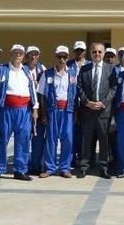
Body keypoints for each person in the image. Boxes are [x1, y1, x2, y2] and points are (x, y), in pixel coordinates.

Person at [0, 44, 38, 182]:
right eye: (15, 53)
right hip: (7, 109)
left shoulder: (27, 71)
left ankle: (20, 170)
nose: (18, 55)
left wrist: (35, 108)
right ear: (11, 54)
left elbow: (32, 90)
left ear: (24, 56)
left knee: (23, 140)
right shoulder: (3, 70)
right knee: (2, 139)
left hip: (24, 110)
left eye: (20, 53)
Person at [76, 43, 117, 178]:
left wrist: (103, 103)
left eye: (100, 52)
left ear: (103, 53)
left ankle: (104, 167)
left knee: (104, 140)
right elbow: (79, 87)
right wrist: (87, 102)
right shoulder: (84, 69)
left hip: (103, 112)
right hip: (88, 111)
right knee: (86, 140)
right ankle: (84, 166)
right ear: (90, 53)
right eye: (94, 52)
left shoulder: (111, 69)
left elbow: (113, 89)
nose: (97, 54)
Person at [37, 45, 77, 178]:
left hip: (67, 110)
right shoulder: (47, 74)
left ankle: (65, 167)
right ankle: (50, 168)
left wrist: (75, 112)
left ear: (68, 58)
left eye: (64, 57)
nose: (62, 59)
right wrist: (43, 113)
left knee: (68, 139)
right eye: (59, 57)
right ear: (56, 57)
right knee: (51, 139)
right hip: (52, 110)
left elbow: (76, 95)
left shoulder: (72, 74)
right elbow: (41, 95)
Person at [26, 46, 46, 175]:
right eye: (31, 55)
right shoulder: (22, 69)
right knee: (24, 138)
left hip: (39, 108)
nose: (33, 57)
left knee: (38, 138)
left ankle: (36, 165)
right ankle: (24, 165)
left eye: (36, 54)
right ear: (27, 56)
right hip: (25, 108)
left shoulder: (42, 69)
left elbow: (44, 91)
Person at [68, 41, 88, 168]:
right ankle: (71, 159)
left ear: (85, 51)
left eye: (81, 50)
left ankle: (84, 158)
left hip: (86, 103)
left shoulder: (90, 65)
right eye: (77, 50)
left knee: (85, 132)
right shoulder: (69, 64)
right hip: (72, 102)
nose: (79, 52)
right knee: (72, 132)